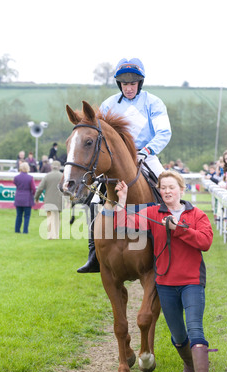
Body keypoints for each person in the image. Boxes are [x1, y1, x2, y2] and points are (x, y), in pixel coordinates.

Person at [115, 170, 214, 372]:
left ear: (181, 189)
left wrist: (178, 229)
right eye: (163, 187)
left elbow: (205, 242)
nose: (167, 191)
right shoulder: (153, 213)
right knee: (178, 334)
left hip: (192, 281)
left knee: (195, 328)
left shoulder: (197, 214)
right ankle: (189, 365)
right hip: (166, 284)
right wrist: (122, 200)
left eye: (171, 187)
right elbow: (124, 224)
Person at [77, 57, 172, 273]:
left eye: (133, 83)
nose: (129, 88)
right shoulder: (109, 104)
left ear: (140, 83)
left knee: (169, 190)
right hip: (115, 160)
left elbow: (164, 132)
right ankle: (94, 254)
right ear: (119, 84)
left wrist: (146, 151)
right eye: (125, 84)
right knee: (93, 200)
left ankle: (172, 246)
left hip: (146, 156)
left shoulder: (153, 103)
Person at [35, 160, 63, 239]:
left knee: (50, 217)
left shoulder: (47, 176)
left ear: (51, 167)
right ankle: (56, 235)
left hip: (49, 200)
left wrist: (36, 198)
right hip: (58, 200)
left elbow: (40, 188)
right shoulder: (62, 176)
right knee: (56, 217)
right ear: (59, 167)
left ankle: (50, 235)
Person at [14, 162, 36, 234]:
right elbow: (33, 189)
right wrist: (32, 195)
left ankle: (17, 230)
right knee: (27, 216)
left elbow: (16, 184)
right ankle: (25, 230)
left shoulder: (16, 177)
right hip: (27, 198)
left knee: (19, 215)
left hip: (18, 197)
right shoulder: (30, 178)